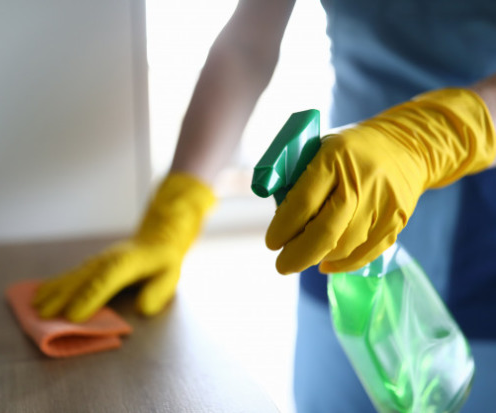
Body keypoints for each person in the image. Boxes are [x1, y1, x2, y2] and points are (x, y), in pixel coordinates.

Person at [33, 1, 496, 411]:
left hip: (483, 251)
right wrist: (177, 208)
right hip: (337, 229)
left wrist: (438, 136)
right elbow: (248, 43)